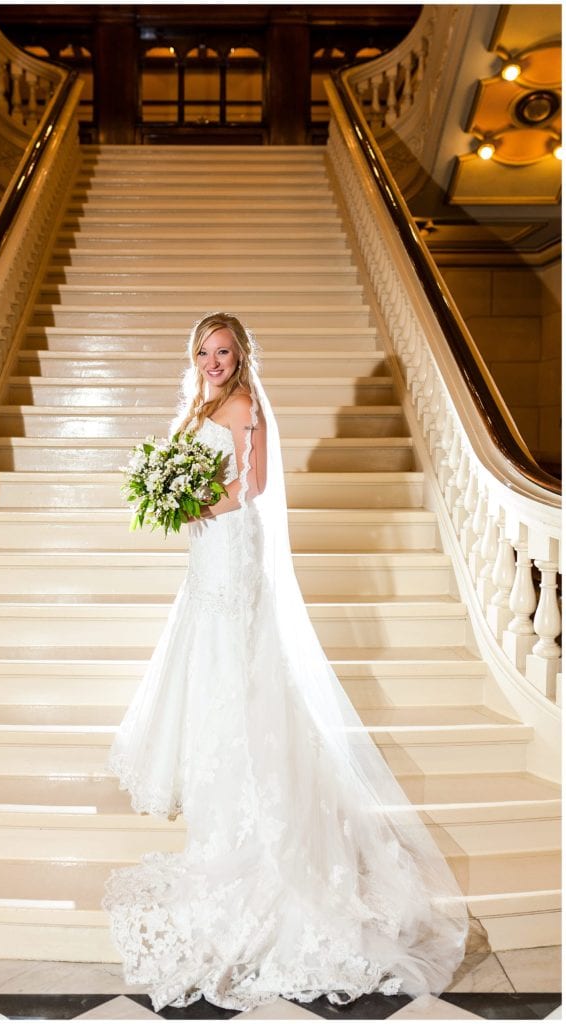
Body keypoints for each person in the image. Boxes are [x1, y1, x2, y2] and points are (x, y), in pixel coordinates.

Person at [103, 312, 469, 1013]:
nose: (214, 361)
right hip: (206, 549)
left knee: (242, 668)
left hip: (232, 545)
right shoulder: (202, 404)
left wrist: (193, 499)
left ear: (241, 356)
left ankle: (256, 804)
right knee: (209, 661)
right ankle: (219, 776)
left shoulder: (243, 404)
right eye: (206, 351)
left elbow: (256, 486)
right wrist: (174, 497)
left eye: (225, 351)